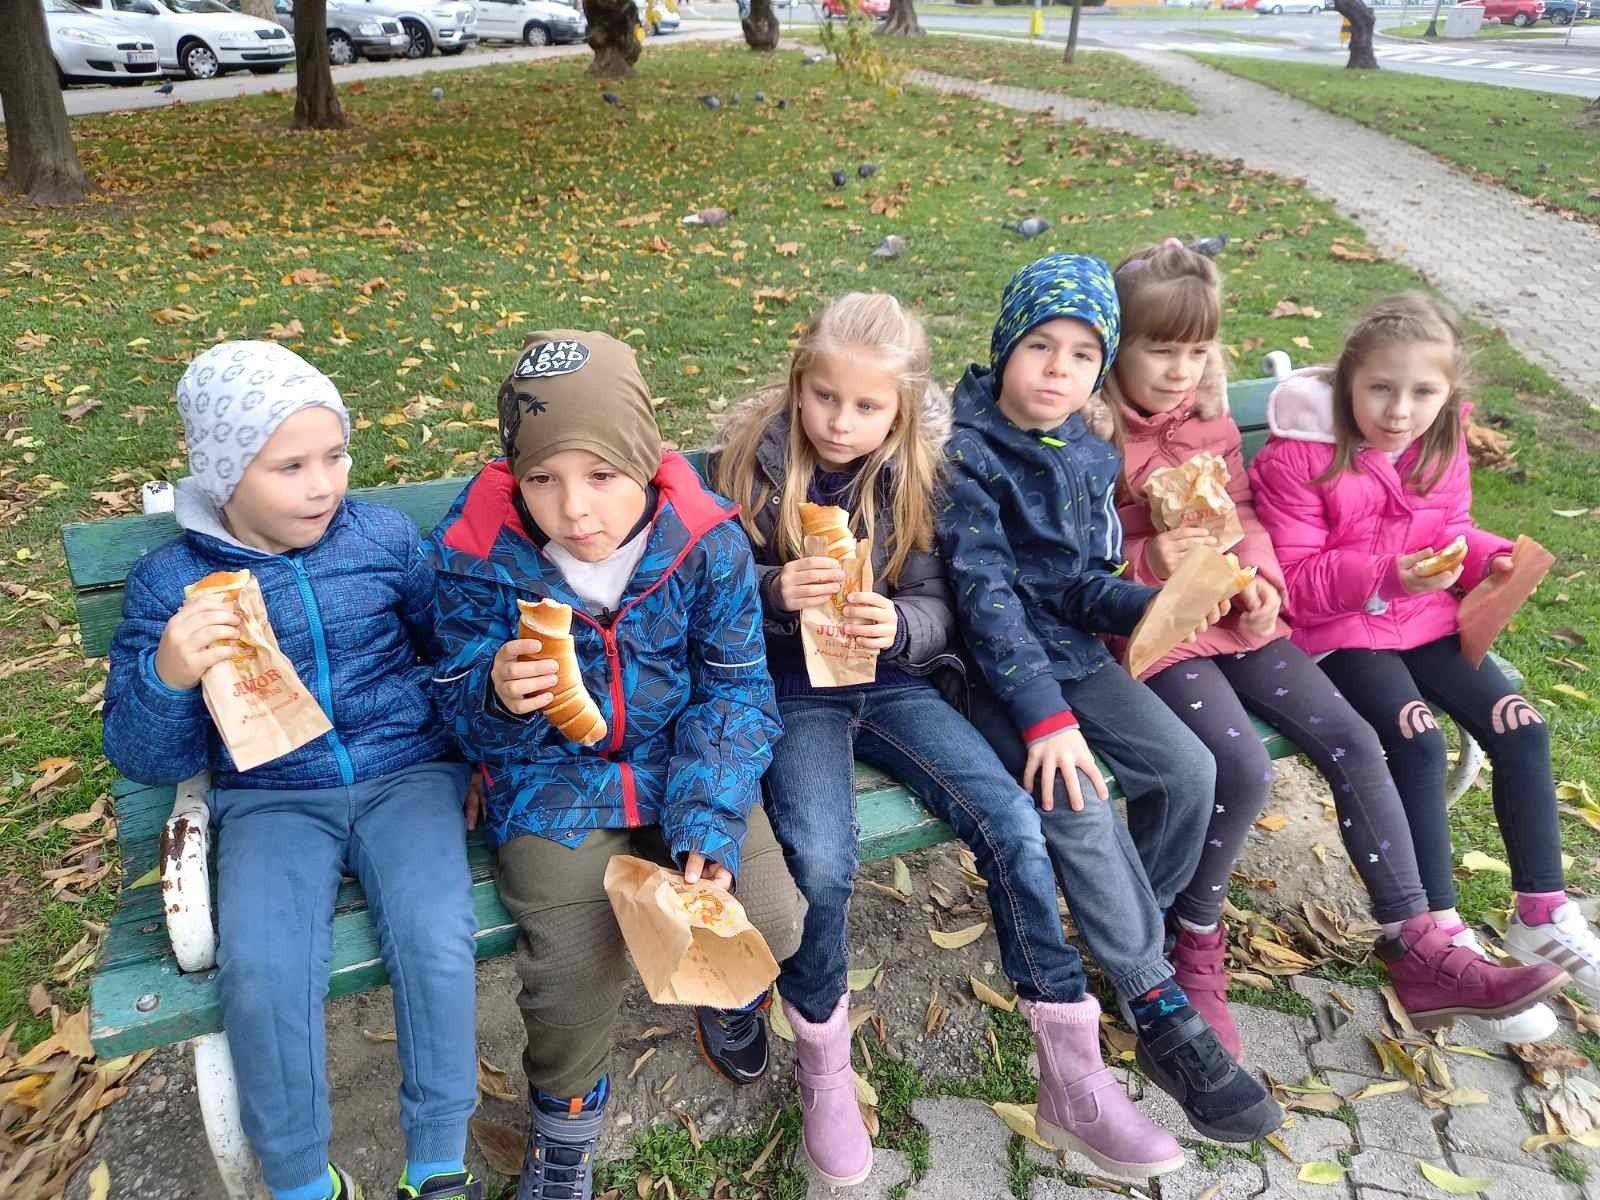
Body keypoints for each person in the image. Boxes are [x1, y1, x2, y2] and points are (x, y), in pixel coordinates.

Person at [711, 292, 1188, 1184]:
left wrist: (897, 624)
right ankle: (823, 1060)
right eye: (824, 399)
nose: (841, 422)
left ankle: (1070, 1069)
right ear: (798, 385)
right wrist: (777, 594)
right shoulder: (750, 468)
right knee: (820, 860)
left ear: (898, 409)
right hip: (790, 692)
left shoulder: (915, 474)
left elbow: (940, 607)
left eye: (866, 406)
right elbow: (712, 598)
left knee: (1012, 821)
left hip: (893, 683)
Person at [1092, 244, 1568, 1045]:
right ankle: (1194, 942)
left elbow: (1242, 511)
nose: (1180, 370)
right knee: (1237, 765)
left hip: (1240, 618)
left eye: (1198, 351)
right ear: (1117, 349)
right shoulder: (1093, 433)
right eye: (1160, 350)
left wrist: (1261, 576)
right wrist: (1145, 561)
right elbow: (1076, 557)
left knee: (1353, 739)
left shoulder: (1207, 420)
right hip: (1152, 634)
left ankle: (1416, 945)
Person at [424, 331, 806, 1200]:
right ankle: (566, 1121)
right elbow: (444, 697)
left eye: (602, 475)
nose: (575, 510)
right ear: (513, 476)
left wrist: (709, 820)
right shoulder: (479, 552)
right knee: (568, 965)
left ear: (645, 458)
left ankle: (726, 995)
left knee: (773, 919)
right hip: (553, 783)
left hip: (685, 765)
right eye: (543, 480)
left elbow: (738, 691)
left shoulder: (706, 543)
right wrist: (491, 693)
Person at [103, 342, 481, 1200]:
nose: (323, 484)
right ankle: (303, 1177)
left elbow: (452, 651)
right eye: (291, 466)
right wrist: (166, 675)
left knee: (434, 935)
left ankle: (437, 1156)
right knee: (266, 965)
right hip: (271, 798)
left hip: (408, 775)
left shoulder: (382, 538)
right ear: (224, 474)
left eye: (335, 455)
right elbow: (145, 754)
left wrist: (475, 758)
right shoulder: (174, 583)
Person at [939, 254, 1284, 1144]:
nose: (1059, 369)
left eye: (1084, 354)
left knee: (1189, 770)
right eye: (1041, 346)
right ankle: (1157, 1005)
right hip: (989, 673)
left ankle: (1128, 944)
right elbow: (986, 602)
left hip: (1071, 655)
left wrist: (1168, 602)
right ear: (1005, 346)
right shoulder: (962, 453)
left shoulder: (1086, 450)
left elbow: (1084, 583)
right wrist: (1047, 721)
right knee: (1079, 801)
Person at [1248, 292, 1590, 1015]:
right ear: (1347, 384)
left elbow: (1454, 526)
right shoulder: (1299, 456)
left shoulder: (1441, 442)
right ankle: (1441, 933)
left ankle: (1542, 915)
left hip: (1425, 617)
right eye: (1380, 389)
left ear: (1449, 392)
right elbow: (1298, 585)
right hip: (1337, 632)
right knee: (1418, 737)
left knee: (1522, 725)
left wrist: (1487, 560)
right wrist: (1384, 574)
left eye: (1423, 392)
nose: (1400, 411)